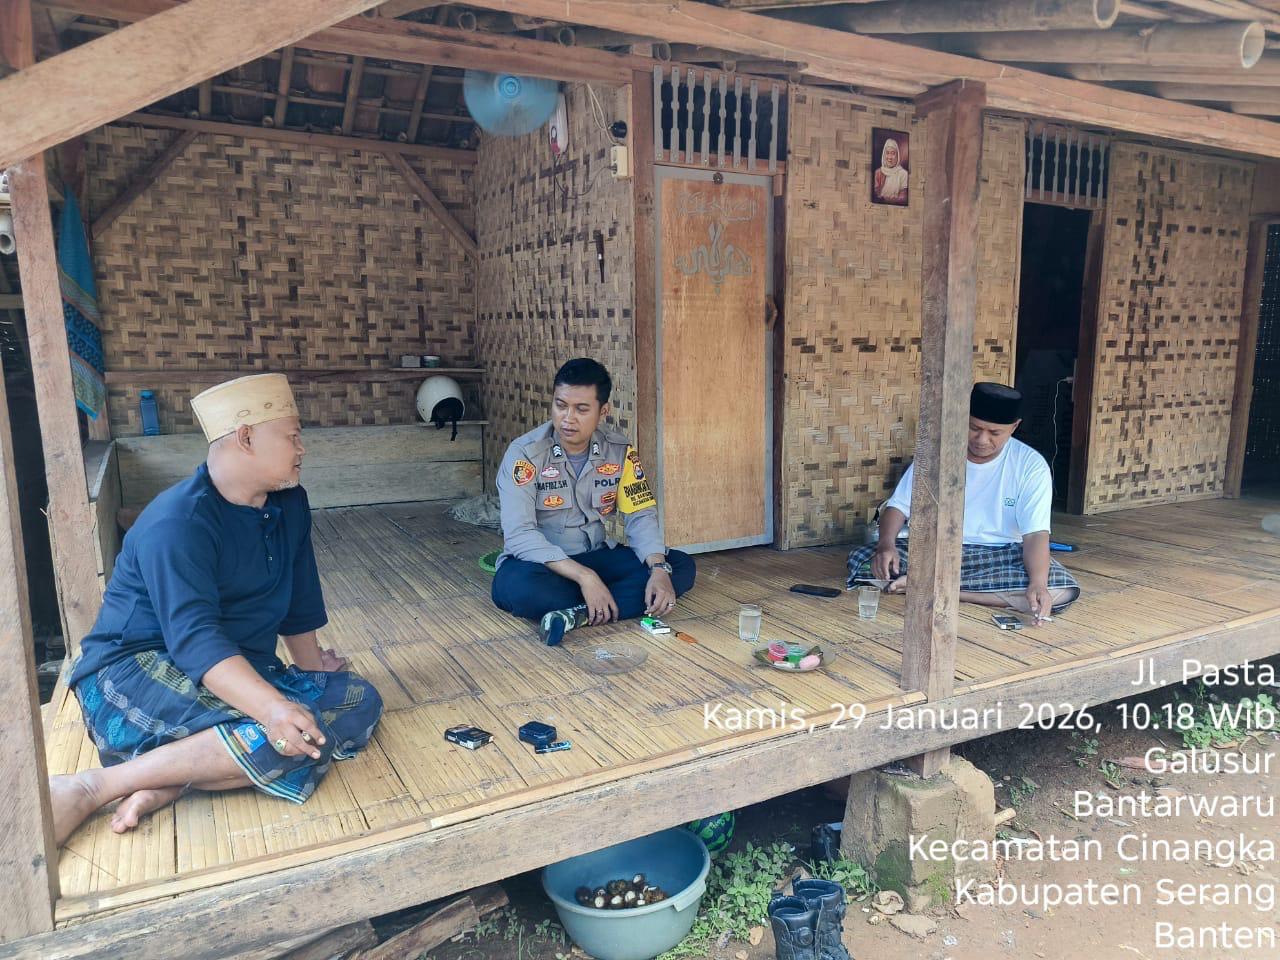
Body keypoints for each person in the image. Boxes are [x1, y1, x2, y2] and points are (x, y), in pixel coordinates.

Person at [51, 374, 382, 847]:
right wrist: (273, 707)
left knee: (355, 701)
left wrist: (311, 676)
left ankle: (171, 778)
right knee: (279, 740)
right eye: (292, 436)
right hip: (136, 671)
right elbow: (195, 640)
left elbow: (300, 603)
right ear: (246, 438)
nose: (302, 448)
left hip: (237, 666)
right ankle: (95, 786)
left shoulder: (290, 503)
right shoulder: (178, 522)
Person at [492, 358, 696, 645]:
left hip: (596, 555)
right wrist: (586, 577)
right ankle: (604, 599)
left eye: (581, 409)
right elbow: (519, 534)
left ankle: (576, 614)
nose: (567, 418)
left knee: (680, 565)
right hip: (545, 566)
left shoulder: (618, 451)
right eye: (560, 405)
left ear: (603, 412)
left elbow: (640, 514)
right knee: (515, 588)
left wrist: (659, 569)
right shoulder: (525, 454)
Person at [848, 382, 1080, 622]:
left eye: (994, 433)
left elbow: (1035, 534)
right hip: (938, 550)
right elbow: (898, 507)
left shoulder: (1031, 465)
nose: (982, 439)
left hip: (1001, 556)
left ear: (1014, 427)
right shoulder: (937, 455)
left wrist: (1038, 583)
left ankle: (935, 588)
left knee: (1061, 588)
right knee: (864, 561)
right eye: (974, 428)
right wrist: (886, 545)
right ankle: (964, 589)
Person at [874, 137, 909, 203]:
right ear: (884, 155)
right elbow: (875, 195)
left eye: (893, 153)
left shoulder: (903, 174)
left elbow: (903, 198)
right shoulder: (878, 173)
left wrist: (887, 200)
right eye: (887, 153)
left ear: (897, 156)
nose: (889, 157)